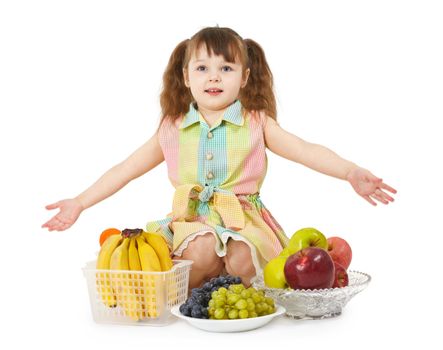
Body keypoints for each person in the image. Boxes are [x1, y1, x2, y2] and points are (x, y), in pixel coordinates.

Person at [42, 26, 396, 289]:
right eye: (202, 68)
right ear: (185, 77)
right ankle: (193, 299)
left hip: (244, 219)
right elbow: (124, 170)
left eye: (226, 69)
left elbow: (305, 151)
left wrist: (350, 171)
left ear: (243, 78)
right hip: (191, 219)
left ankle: (238, 300)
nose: (214, 76)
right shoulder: (173, 127)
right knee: (201, 251)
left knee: (243, 258)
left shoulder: (257, 123)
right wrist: (80, 202)